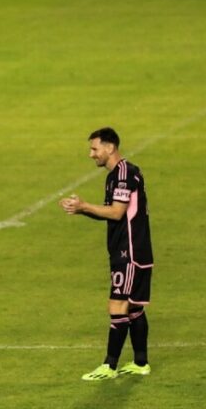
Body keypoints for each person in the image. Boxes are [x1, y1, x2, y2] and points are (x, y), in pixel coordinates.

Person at [59, 127, 154, 381]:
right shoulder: (115, 176)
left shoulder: (124, 174)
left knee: (117, 304)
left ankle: (109, 366)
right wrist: (82, 210)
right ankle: (140, 362)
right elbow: (109, 210)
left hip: (129, 251)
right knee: (133, 308)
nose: (91, 154)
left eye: (94, 148)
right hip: (131, 250)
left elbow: (116, 213)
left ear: (110, 147)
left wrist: (84, 206)